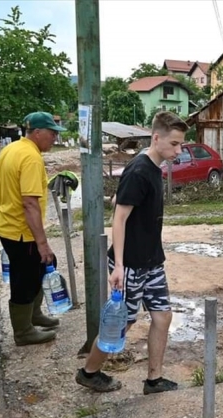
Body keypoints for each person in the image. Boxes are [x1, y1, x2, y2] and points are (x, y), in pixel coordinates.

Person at [75, 111, 189, 394]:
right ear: (156, 138)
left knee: (163, 317)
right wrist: (119, 267)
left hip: (152, 262)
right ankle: (89, 372)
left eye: (180, 144)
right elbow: (120, 218)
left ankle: (154, 379)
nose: (179, 150)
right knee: (120, 323)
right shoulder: (139, 170)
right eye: (174, 144)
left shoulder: (152, 167)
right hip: (131, 265)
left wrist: (119, 198)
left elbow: (121, 200)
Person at [0, 112, 65, 346]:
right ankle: (23, 331)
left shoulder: (11, 149)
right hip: (21, 231)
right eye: (52, 133)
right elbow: (30, 203)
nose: (55, 138)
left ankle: (34, 315)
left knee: (36, 271)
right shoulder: (31, 158)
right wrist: (42, 242)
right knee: (24, 279)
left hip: (8, 225)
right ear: (37, 132)